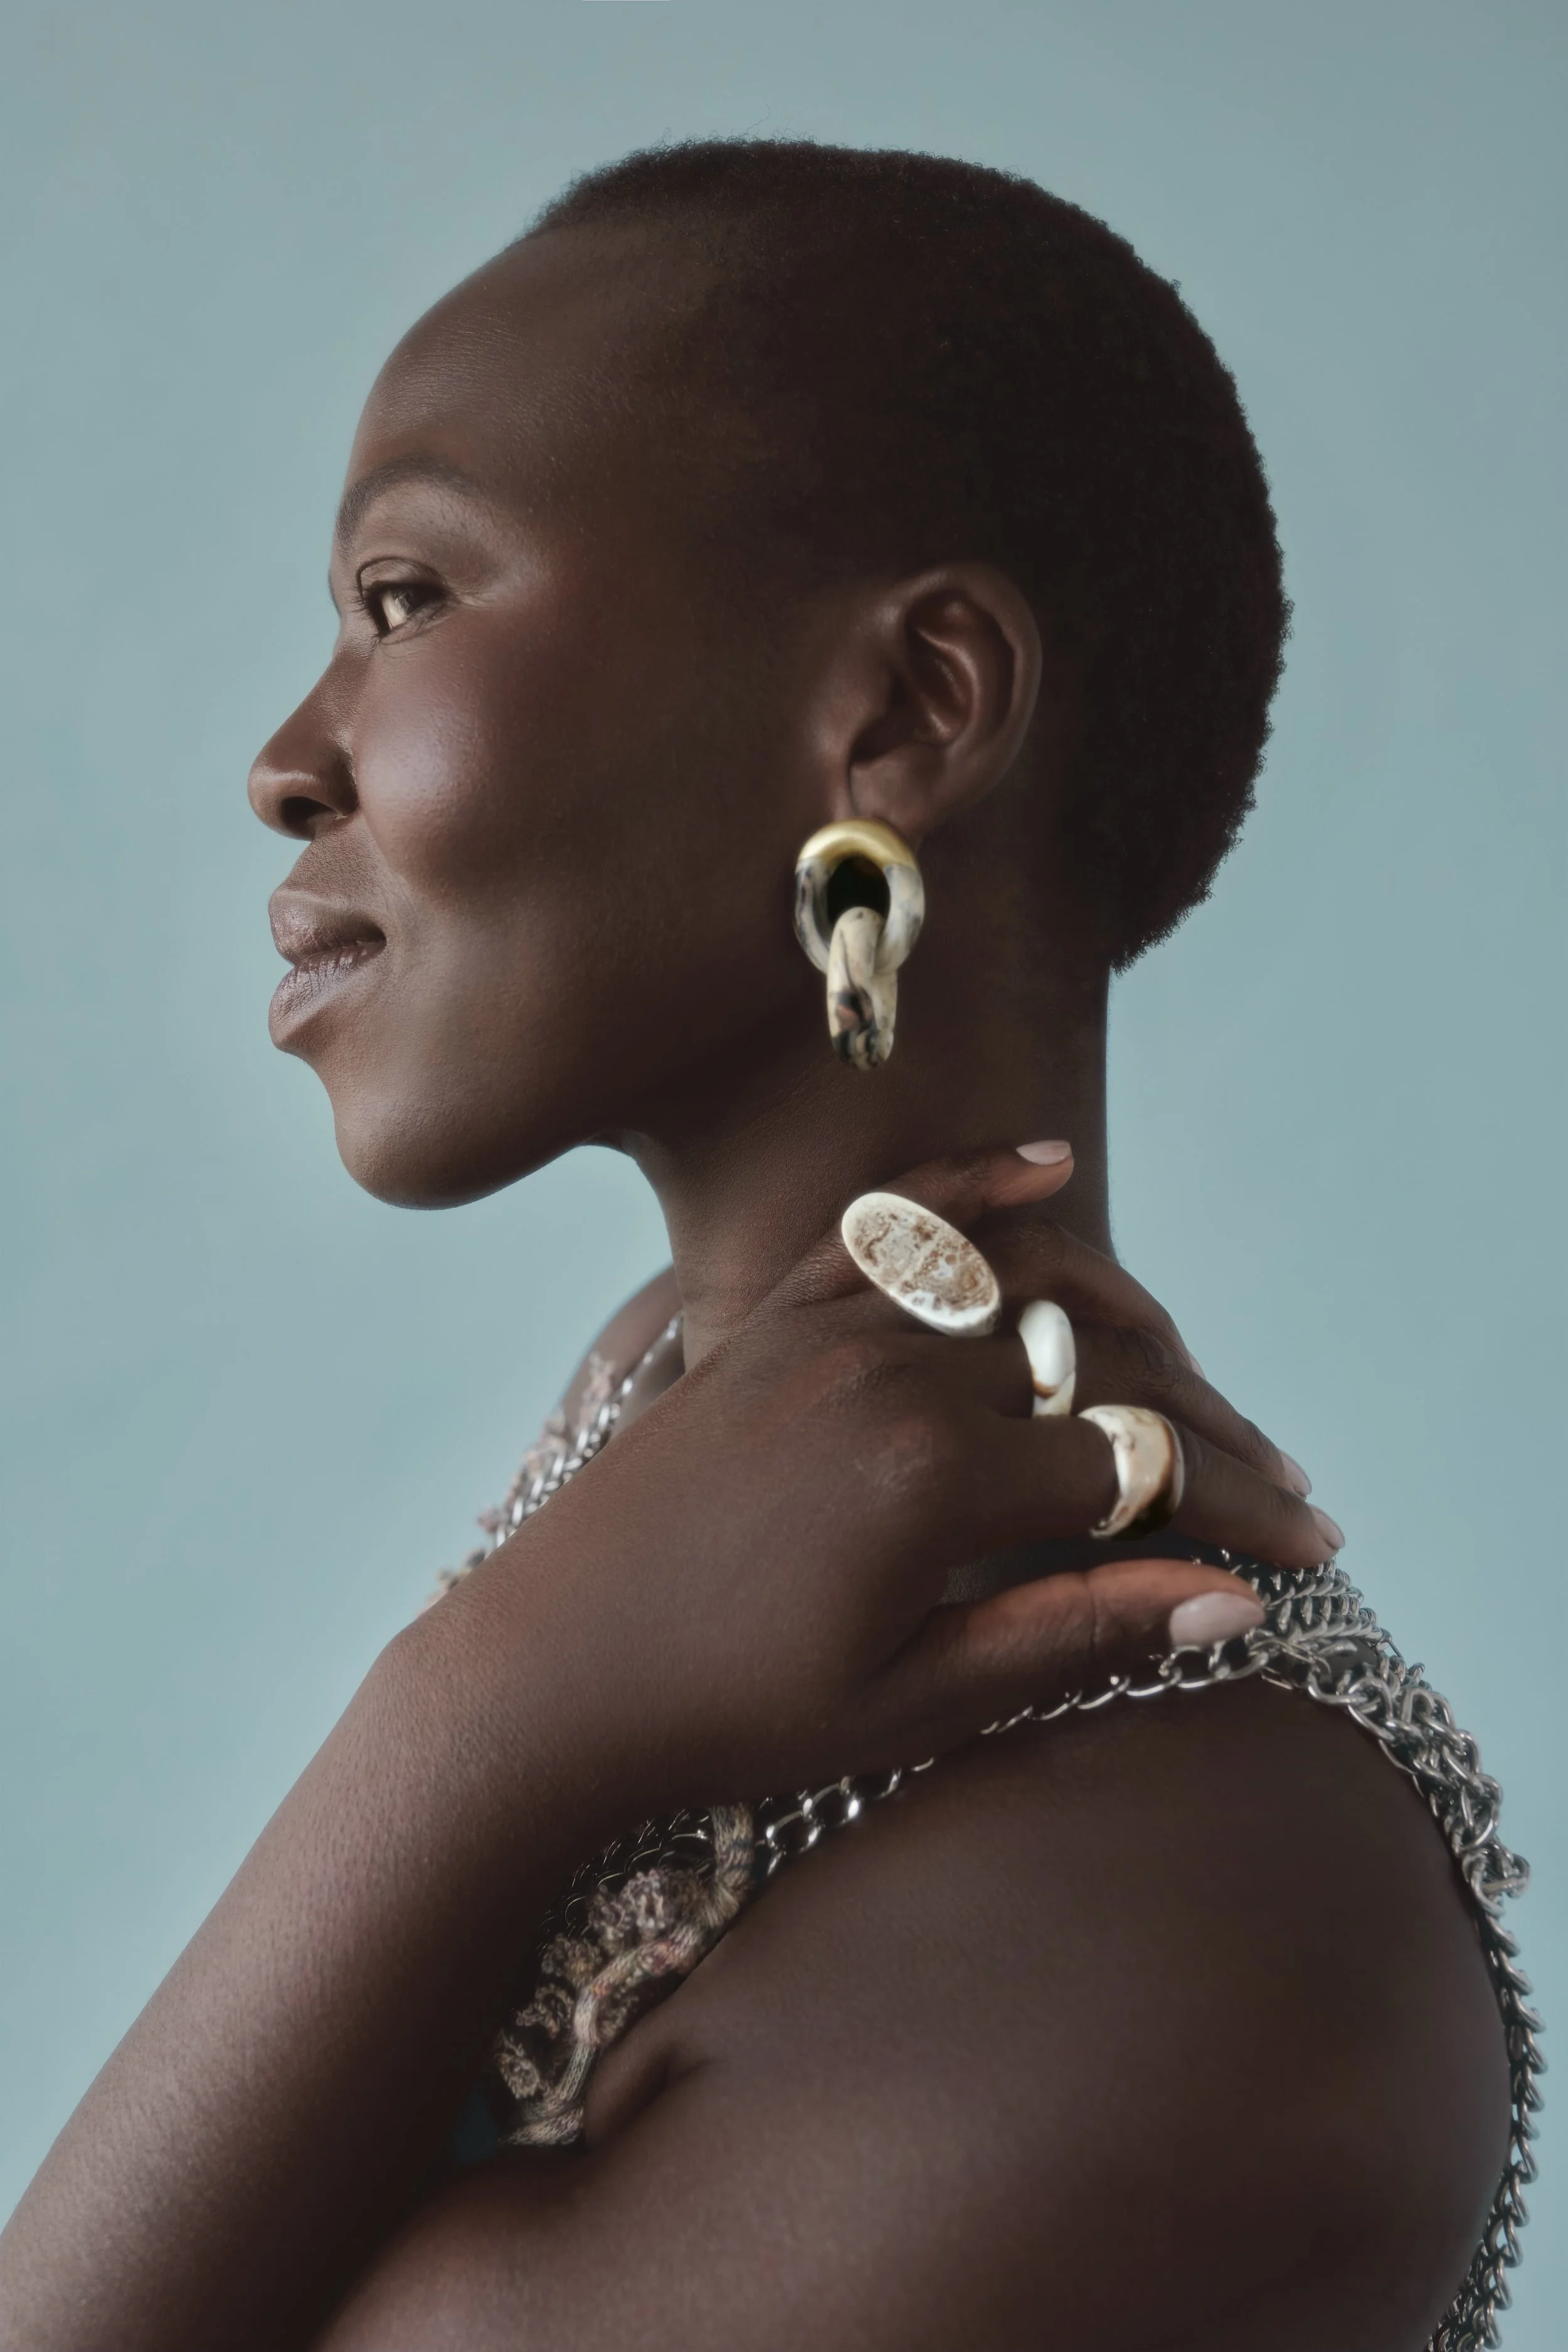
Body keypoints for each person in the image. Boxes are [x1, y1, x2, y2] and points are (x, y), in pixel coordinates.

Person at [0, 140, 1530, 2352]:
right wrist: (501, 1701)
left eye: (406, 600)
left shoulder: (1181, 1915)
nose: (284, 759)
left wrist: (469, 1728)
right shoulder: (663, 1442)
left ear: (905, 711)